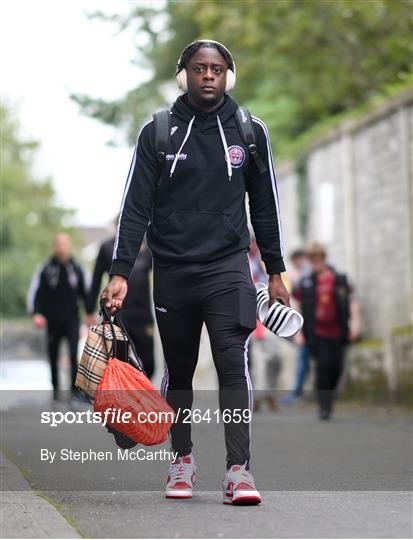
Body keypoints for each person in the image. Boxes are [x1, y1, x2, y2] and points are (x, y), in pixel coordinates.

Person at [101, 40, 289, 505]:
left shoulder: (249, 132)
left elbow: (265, 206)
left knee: (233, 362)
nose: (209, 76)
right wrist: (121, 270)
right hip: (173, 271)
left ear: (230, 76)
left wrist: (276, 271)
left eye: (218, 69)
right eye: (200, 68)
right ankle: (181, 460)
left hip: (229, 268)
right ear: (183, 74)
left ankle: (238, 472)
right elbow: (135, 206)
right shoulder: (158, 132)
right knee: (179, 371)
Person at [293, 242, 360, 420]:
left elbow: (352, 302)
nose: (316, 263)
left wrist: (355, 325)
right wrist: (298, 333)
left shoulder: (339, 279)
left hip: (337, 331)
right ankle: (324, 406)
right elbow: (297, 307)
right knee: (323, 367)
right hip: (316, 333)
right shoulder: (305, 282)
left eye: (318, 259)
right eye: (312, 260)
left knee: (336, 368)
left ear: (323, 259)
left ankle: (328, 395)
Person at [27, 233, 89, 400]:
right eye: (59, 244)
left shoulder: (76, 269)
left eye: (65, 244)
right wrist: (36, 313)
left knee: (73, 355)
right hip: (52, 321)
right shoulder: (46, 268)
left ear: (69, 246)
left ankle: (74, 392)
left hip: (72, 320)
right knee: (53, 355)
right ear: (55, 247)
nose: (62, 247)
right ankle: (55, 391)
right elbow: (37, 293)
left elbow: (86, 294)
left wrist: (90, 314)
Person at [87, 230, 155, 379]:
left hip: (143, 314)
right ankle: (125, 398)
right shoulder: (107, 247)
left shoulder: (147, 246)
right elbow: (96, 279)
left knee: (149, 362)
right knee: (121, 361)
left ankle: (142, 392)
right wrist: (88, 310)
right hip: (118, 313)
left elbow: (161, 273)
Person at [279, 249, 311, 405]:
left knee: (306, 358)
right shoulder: (291, 277)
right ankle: (298, 390)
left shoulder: (307, 275)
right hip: (300, 325)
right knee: (303, 357)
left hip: (312, 324)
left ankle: (301, 390)